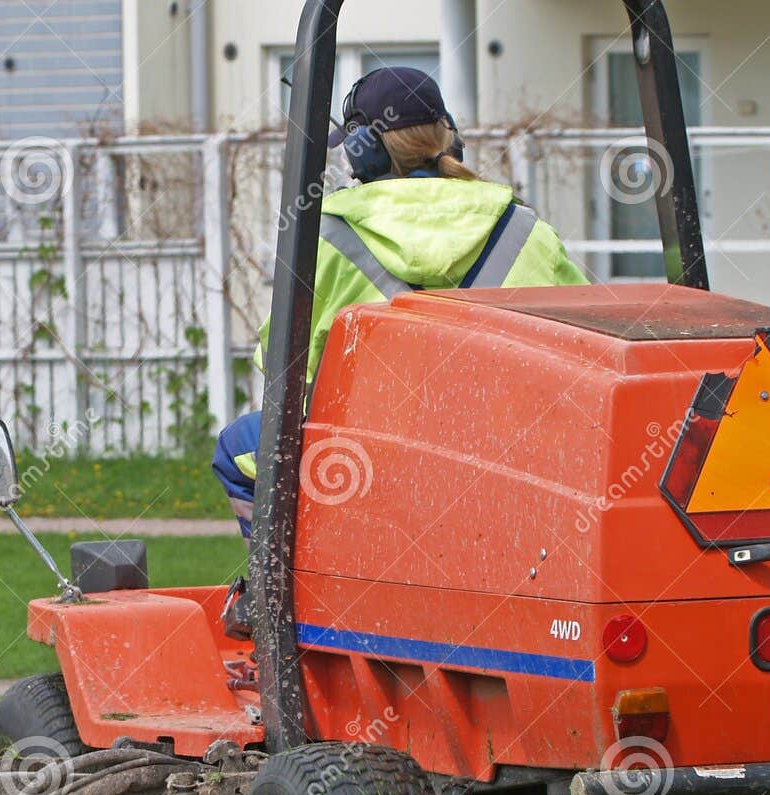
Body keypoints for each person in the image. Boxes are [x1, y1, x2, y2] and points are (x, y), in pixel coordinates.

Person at [213, 66, 588, 552]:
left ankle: (285, 599)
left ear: (359, 149)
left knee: (237, 448)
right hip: (513, 461)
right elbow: (586, 350)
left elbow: (282, 367)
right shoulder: (527, 231)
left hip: (378, 466)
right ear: (450, 136)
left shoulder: (326, 238)